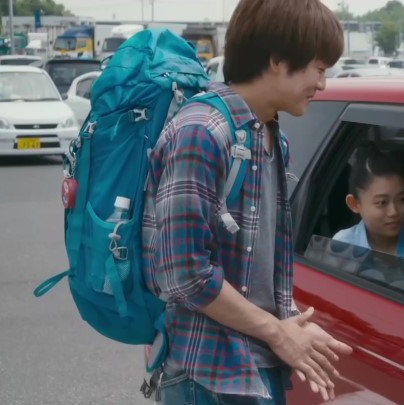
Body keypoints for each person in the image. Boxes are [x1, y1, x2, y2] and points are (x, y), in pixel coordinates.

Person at [142, 0, 351, 403]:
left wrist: (290, 322)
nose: (323, 84)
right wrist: (278, 333)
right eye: (319, 69)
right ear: (277, 60)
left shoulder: (271, 136)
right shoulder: (202, 131)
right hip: (207, 375)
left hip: (257, 365)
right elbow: (184, 274)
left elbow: (253, 268)